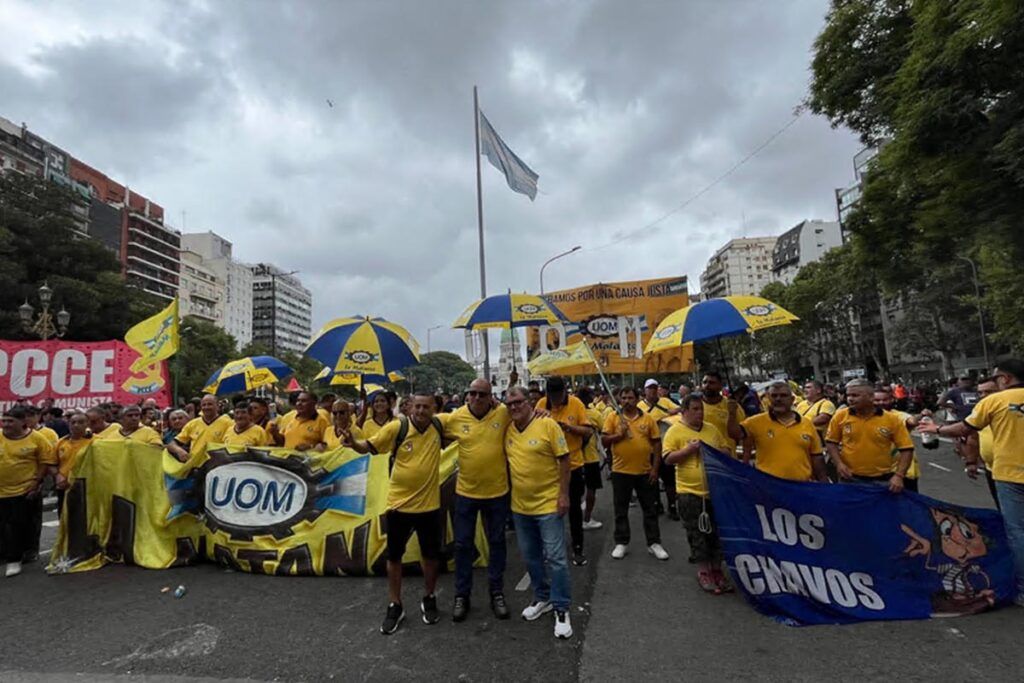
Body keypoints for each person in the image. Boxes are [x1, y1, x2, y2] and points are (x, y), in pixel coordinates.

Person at [919, 359, 1024, 605]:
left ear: (1006, 379)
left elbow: (963, 429)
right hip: (1007, 474)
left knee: (1018, 532)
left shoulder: (995, 401)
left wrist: (935, 429)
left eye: (997, 378)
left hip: (1010, 475)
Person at [346, 392, 445, 634]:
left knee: (431, 556)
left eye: (426, 407)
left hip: (430, 506)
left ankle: (429, 597)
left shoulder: (441, 425)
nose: (421, 411)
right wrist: (352, 442)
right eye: (417, 406)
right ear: (410, 407)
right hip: (399, 506)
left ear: (434, 408)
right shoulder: (396, 428)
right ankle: (395, 604)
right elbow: (368, 447)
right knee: (394, 557)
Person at [438, 378, 512, 622]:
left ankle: (497, 592)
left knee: (497, 543)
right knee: (462, 546)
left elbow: (526, 414)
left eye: (483, 394)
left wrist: (541, 410)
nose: (478, 398)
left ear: (491, 396)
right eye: (473, 393)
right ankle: (462, 595)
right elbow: (425, 424)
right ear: (467, 395)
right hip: (466, 494)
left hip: (497, 493)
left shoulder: (503, 413)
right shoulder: (455, 417)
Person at [504, 386, 574, 639]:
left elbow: (564, 460)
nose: (514, 407)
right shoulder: (508, 429)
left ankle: (562, 607)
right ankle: (542, 597)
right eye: (509, 403)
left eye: (519, 402)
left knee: (556, 559)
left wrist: (564, 494)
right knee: (531, 557)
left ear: (530, 402)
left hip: (548, 504)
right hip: (520, 508)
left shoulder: (548, 425)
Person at [662, 395, 731, 592]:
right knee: (697, 532)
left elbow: (726, 450)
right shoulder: (674, 431)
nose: (699, 413)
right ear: (684, 411)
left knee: (717, 532)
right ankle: (704, 571)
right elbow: (668, 459)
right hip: (689, 492)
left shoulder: (711, 429)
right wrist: (688, 450)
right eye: (694, 409)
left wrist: (714, 451)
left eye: (701, 409)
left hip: (714, 490)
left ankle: (718, 569)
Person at [601, 386, 668, 561]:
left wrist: (655, 469)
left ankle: (654, 543)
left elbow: (656, 444)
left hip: (645, 472)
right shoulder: (613, 417)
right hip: (620, 471)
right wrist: (618, 435)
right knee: (620, 509)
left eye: (630, 398)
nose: (626, 401)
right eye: (623, 398)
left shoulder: (648, 419)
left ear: (637, 399)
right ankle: (621, 542)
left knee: (650, 509)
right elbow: (604, 441)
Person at [536, 376, 592, 566]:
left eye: (558, 396)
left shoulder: (576, 404)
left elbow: (588, 432)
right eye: (551, 396)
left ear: (564, 392)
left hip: (573, 465)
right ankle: (551, 548)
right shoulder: (541, 403)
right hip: (548, 468)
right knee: (549, 511)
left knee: (574, 508)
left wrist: (569, 428)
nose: (555, 401)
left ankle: (578, 548)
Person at [825, 379, 914, 492]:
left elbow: (906, 449)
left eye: (855, 395)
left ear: (871, 397)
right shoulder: (840, 416)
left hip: (883, 480)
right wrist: (839, 464)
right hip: (850, 479)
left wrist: (899, 476)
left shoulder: (892, 419)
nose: (850, 399)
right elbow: (831, 442)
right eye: (848, 395)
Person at [0, 406, 57, 577]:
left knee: (17, 525)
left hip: (24, 489)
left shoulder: (37, 438)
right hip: (1, 491)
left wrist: (36, 482)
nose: (6, 424)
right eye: (4, 420)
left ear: (23, 422)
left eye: (11, 421)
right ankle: (5, 554)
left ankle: (14, 559)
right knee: (2, 525)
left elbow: (45, 461)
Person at [741, 381, 828, 483]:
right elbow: (734, 434)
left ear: (792, 399)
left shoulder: (807, 424)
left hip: (801, 486)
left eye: (783, 395)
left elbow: (816, 456)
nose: (778, 399)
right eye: (774, 396)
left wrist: (823, 481)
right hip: (768, 487)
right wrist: (732, 410)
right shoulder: (754, 422)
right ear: (768, 398)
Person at [639, 378, 682, 520]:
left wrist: (669, 413)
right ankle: (657, 504)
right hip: (649, 448)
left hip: (665, 447)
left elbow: (678, 409)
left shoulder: (664, 401)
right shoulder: (640, 406)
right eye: (649, 388)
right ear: (645, 390)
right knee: (652, 479)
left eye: (654, 388)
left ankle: (672, 506)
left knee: (669, 480)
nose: (652, 391)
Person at [872, 386, 926, 493]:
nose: (881, 403)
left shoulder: (897, 415)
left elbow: (911, 421)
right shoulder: (866, 418)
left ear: (892, 400)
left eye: (885, 399)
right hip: (878, 472)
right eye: (877, 400)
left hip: (904, 472)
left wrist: (921, 415)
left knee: (908, 505)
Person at [962, 378, 1000, 508]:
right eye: (980, 393)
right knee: (1003, 509)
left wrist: (937, 429)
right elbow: (973, 438)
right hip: (992, 470)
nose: (983, 396)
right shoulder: (979, 413)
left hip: (1013, 471)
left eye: (988, 392)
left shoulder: (1010, 410)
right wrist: (971, 462)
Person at [167, 395, 233, 463]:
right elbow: (172, 444)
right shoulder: (192, 424)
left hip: (218, 465)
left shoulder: (228, 423)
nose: (206, 407)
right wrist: (179, 451)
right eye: (204, 405)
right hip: (195, 466)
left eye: (210, 404)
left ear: (217, 406)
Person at [576, 387, 605, 531]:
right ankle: (587, 519)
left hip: (573, 458)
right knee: (591, 489)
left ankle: (575, 518)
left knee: (574, 491)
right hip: (590, 457)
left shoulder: (572, 413)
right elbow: (604, 429)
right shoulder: (594, 414)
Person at [698, 372, 744, 456]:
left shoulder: (732, 405)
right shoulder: (695, 406)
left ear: (720, 386)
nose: (707, 386)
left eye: (712, 383)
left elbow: (741, 435)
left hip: (727, 458)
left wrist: (732, 414)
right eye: (704, 382)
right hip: (702, 458)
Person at [54, 412, 91, 516]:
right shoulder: (61, 442)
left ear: (87, 424)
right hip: (65, 486)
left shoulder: (96, 441)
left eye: (80, 422)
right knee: (64, 518)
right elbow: (52, 463)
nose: (76, 425)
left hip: (87, 487)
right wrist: (58, 476)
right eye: (73, 422)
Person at [97, 404, 162, 446]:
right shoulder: (112, 436)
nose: (134, 418)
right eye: (130, 416)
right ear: (121, 419)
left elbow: (156, 448)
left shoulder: (150, 432)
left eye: (137, 415)